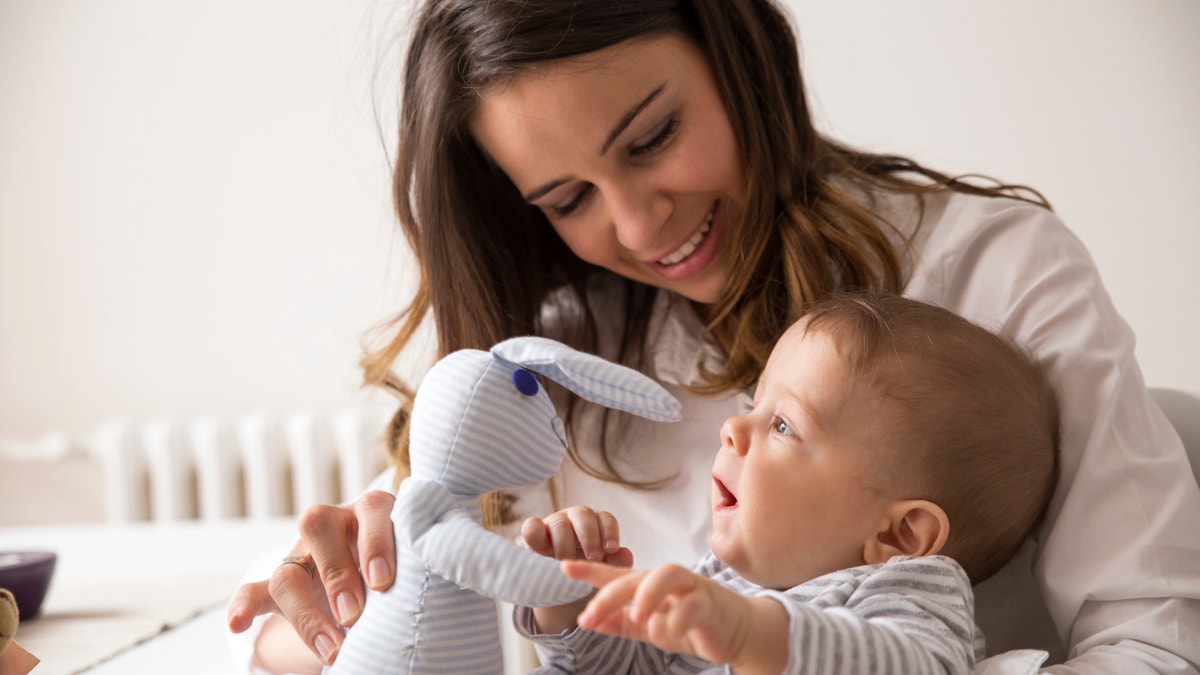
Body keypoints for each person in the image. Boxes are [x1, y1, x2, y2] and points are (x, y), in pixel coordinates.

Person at [225, 1, 1200, 673]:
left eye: (650, 139)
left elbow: (1153, 647)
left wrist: (762, 641)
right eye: (567, 199)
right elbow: (303, 637)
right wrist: (338, 610)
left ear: (735, 49)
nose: (642, 229)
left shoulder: (995, 273)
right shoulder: (548, 362)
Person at [515, 291, 1060, 674]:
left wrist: (757, 636)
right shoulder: (726, 582)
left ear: (900, 536)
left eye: (782, 425)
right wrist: (572, 606)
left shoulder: (904, 595)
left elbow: (910, 667)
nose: (732, 428)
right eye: (755, 405)